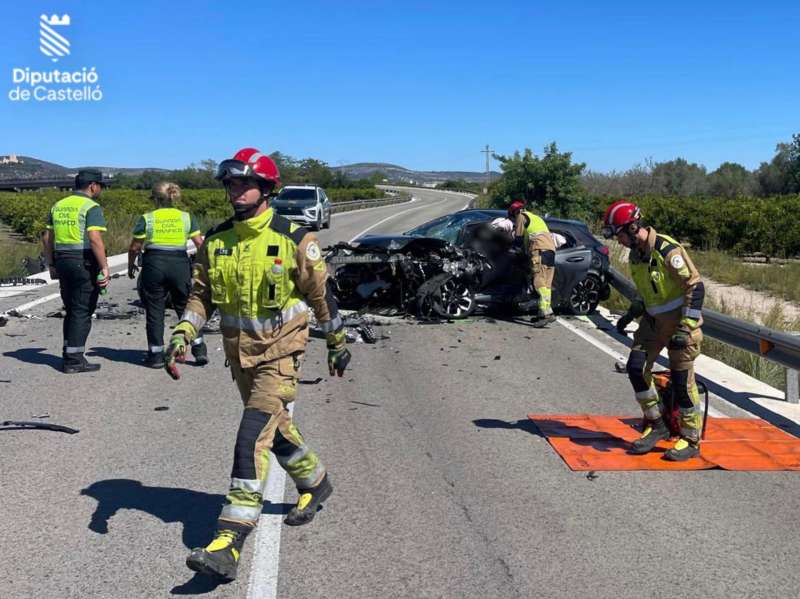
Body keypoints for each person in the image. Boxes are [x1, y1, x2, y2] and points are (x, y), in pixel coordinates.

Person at [164, 148, 351, 582]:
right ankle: (316, 481)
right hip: (239, 357)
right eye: (231, 184)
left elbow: (321, 296)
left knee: (250, 437)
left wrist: (337, 340)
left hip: (281, 354)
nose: (236, 191)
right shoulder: (217, 241)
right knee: (275, 430)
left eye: (245, 183)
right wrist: (184, 333)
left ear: (267, 189)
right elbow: (201, 297)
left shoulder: (294, 239)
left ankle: (228, 541)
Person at [603, 199, 705, 461]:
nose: (619, 241)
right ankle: (656, 424)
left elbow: (696, 287)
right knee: (636, 368)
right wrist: (634, 310)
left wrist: (686, 327)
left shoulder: (667, 251)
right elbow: (650, 290)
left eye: (620, 235)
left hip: (680, 325)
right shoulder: (636, 256)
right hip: (652, 322)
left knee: (682, 383)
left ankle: (691, 439)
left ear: (633, 227)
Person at [127, 182, 208, 367]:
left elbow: (135, 247)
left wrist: (131, 265)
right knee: (185, 307)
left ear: (155, 199)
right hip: (179, 263)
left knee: (155, 309)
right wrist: (203, 268)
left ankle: (155, 355)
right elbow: (199, 244)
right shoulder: (186, 217)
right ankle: (199, 349)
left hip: (154, 263)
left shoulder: (147, 218)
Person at [42, 168, 110, 373]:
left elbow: (47, 237)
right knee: (82, 309)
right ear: (92, 186)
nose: (100, 189)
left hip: (62, 261)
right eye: (100, 186)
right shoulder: (91, 206)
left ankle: (68, 350)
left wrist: (50, 263)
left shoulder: (58, 205)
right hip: (83, 260)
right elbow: (94, 238)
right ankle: (74, 360)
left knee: (71, 308)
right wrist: (105, 266)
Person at [508, 199, 556, 327]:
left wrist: (511, 250)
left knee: (538, 282)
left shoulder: (521, 217)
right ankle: (545, 312)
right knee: (546, 284)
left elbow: (518, 239)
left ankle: (546, 314)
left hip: (539, 250)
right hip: (550, 251)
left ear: (514, 212)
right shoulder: (535, 218)